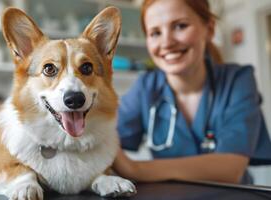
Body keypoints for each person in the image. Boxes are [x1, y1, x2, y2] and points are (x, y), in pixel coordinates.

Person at [113, 0, 271, 184]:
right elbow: (104, 138)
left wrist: (135, 169)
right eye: (155, 33)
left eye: (180, 26)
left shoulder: (237, 80)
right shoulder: (145, 88)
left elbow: (230, 168)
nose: (167, 42)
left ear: (209, 29)